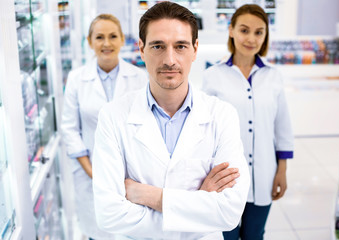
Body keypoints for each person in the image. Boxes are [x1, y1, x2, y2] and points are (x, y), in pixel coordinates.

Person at [91, 2, 250, 240]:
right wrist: (199, 202)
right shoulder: (113, 116)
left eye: (181, 46)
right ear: (142, 49)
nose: (170, 59)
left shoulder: (222, 115)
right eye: (158, 46)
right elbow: (109, 214)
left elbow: (229, 212)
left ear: (195, 49)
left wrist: (151, 197)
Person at [202, 4, 294, 240]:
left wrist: (282, 170)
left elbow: (282, 126)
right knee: (226, 236)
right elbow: (204, 130)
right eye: (244, 30)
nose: (251, 38)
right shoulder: (213, 76)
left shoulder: (273, 76)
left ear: (265, 36)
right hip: (225, 176)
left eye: (259, 32)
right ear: (231, 30)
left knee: (255, 235)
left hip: (264, 173)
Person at [61, 14, 148, 240]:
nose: (106, 43)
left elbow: (146, 126)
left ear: (122, 40)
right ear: (90, 42)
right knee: (98, 232)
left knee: (131, 232)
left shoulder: (139, 78)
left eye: (112, 36)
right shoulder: (76, 79)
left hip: (131, 173)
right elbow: (69, 129)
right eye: (99, 37)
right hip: (89, 171)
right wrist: (94, 172)